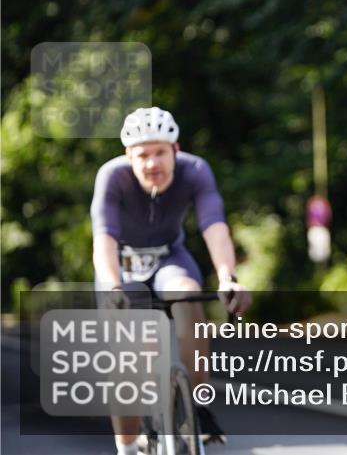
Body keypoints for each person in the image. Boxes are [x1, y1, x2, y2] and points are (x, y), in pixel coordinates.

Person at [91, 106, 251, 455]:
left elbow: (214, 225)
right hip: (122, 266)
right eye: (143, 155)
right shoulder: (111, 177)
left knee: (188, 294)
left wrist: (228, 277)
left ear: (176, 151)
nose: (152, 164)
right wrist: (113, 287)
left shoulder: (195, 171)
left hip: (169, 259)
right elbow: (103, 239)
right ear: (127, 156)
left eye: (160, 152)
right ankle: (128, 446)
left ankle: (197, 401)